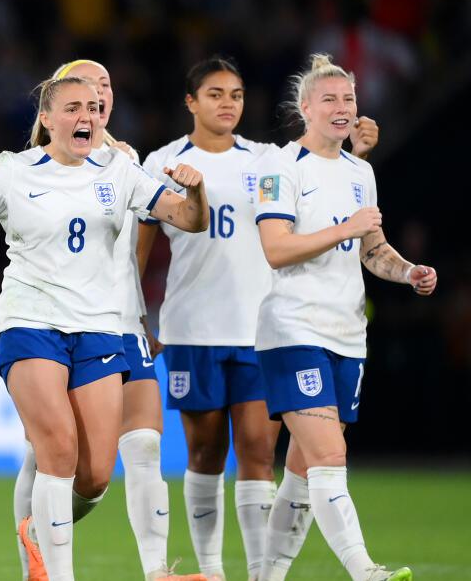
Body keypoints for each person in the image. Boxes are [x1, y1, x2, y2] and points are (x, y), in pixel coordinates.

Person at [0, 74, 208, 581]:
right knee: (57, 448)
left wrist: (197, 192)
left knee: (94, 476)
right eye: (73, 108)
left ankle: (38, 532)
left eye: (94, 108)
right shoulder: (13, 171)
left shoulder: (120, 170)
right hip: (30, 323)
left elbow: (188, 218)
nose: (87, 117)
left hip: (97, 330)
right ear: (47, 119)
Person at [139, 57, 379, 581]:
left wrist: (355, 149)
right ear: (190, 102)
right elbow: (141, 243)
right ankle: (210, 570)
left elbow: (321, 168)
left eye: (237, 94)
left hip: (258, 328)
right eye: (216, 94)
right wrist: (137, 314)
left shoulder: (268, 159)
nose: (228, 103)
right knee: (204, 452)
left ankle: (256, 572)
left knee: (256, 452)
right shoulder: (162, 161)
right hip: (191, 326)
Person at [10, 60, 206, 581]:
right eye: (83, 90)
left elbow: (136, 246)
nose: (98, 94)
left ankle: (156, 570)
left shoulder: (124, 161)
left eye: (105, 87)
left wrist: (140, 313)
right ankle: (37, 557)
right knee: (48, 454)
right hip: (55, 322)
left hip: (120, 320)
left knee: (142, 445)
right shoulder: (35, 166)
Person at [253, 54, 433, 581]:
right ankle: (364, 570)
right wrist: (346, 226)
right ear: (304, 108)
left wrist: (407, 272)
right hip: (292, 330)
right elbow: (276, 249)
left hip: (348, 334)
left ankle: (265, 576)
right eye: (329, 99)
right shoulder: (281, 168)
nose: (341, 107)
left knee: (305, 469)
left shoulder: (361, 172)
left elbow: (372, 248)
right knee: (330, 453)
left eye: (349, 99)